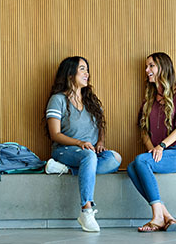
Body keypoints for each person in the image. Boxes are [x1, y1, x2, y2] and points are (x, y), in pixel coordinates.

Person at [44, 56, 122, 232]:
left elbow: (101, 125)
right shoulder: (58, 100)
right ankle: (86, 211)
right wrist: (80, 143)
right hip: (65, 150)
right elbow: (55, 134)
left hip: (91, 152)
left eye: (87, 69)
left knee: (115, 158)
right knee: (88, 156)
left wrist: (101, 141)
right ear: (70, 74)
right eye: (82, 69)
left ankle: (67, 170)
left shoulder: (91, 100)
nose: (87, 73)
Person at [127, 52, 176, 232]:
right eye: (146, 66)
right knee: (132, 166)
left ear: (162, 68)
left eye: (151, 66)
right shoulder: (148, 99)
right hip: (158, 152)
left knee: (139, 161)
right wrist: (151, 150)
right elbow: (143, 131)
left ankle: (157, 217)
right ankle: (166, 215)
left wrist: (161, 146)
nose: (146, 70)